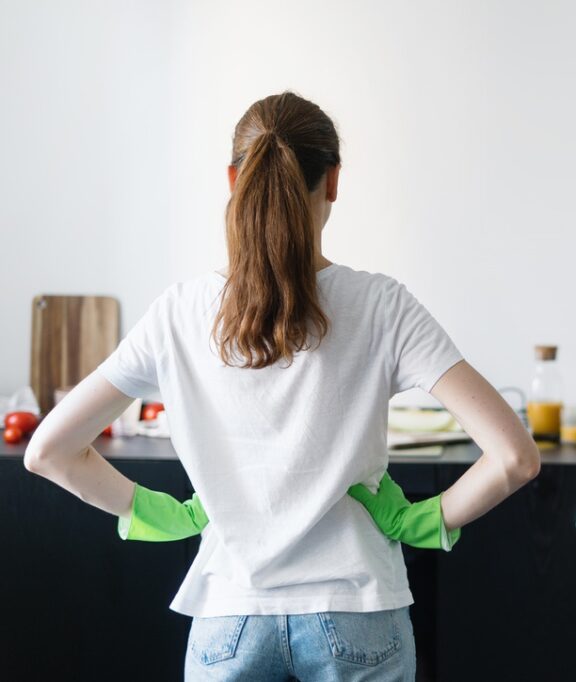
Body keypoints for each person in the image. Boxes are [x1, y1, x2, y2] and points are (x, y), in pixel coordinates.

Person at [23, 90, 541, 681]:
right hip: (359, 612)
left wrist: (156, 512)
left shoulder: (178, 314)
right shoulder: (383, 306)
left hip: (229, 617)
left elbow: (49, 451)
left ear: (232, 179)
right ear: (335, 181)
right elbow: (515, 459)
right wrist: (421, 520)